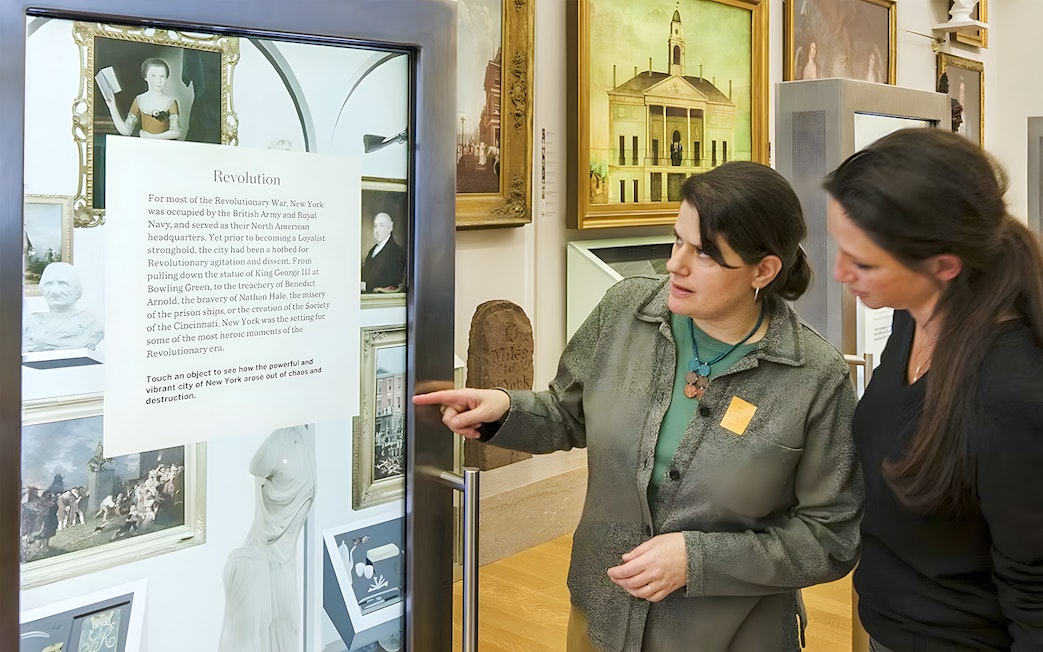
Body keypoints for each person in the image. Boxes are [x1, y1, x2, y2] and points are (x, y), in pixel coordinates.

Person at [414, 161, 863, 651]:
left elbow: (831, 538)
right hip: (602, 617)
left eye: (706, 255)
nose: (676, 264)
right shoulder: (624, 311)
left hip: (730, 635)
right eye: (677, 240)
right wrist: (503, 408)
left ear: (764, 270)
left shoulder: (815, 377)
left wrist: (699, 559)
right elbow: (568, 413)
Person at [824, 128, 1043, 651]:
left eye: (865, 263)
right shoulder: (912, 316)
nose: (839, 273)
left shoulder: (1011, 394)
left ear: (944, 266)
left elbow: (1036, 596)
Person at [23, 261, 104, 352]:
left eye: (63, 284)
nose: (55, 291)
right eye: (48, 284)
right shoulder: (30, 323)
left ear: (77, 291)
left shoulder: (90, 324)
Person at [101, 57, 182, 140]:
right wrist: (112, 107)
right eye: (153, 76)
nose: (158, 80)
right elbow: (126, 131)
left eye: (162, 76)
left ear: (166, 78)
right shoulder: (139, 100)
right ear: (145, 77)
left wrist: (152, 137)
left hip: (165, 147)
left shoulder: (171, 102)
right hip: (144, 146)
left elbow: (176, 132)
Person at [361, 212, 405, 293]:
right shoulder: (371, 251)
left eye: (381, 225)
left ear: (390, 227)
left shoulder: (395, 252)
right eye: (375, 226)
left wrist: (366, 286)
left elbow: (391, 283)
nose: (377, 230)